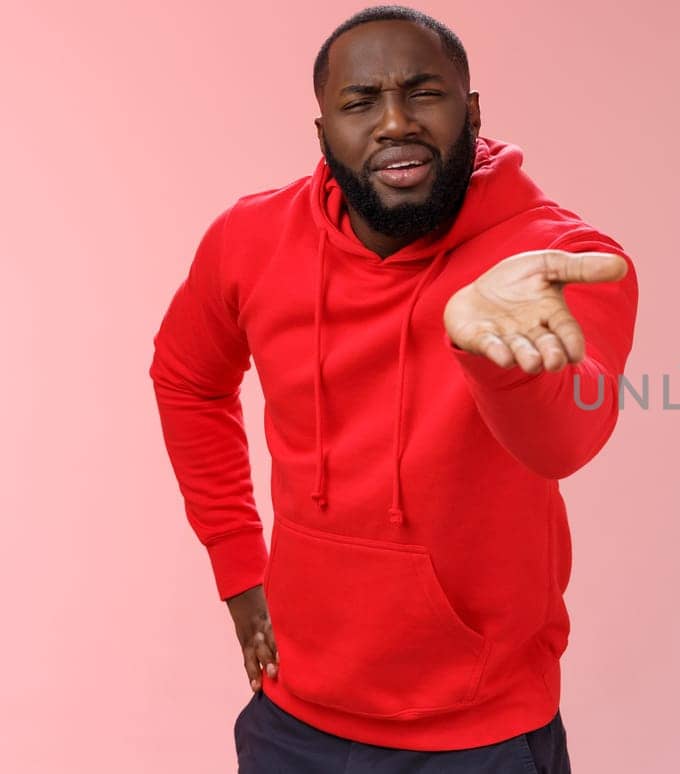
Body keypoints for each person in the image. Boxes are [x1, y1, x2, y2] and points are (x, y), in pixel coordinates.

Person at [147, 5, 639, 771]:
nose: (394, 122)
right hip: (291, 717)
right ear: (322, 132)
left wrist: (491, 355)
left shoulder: (555, 258)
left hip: (482, 737)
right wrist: (238, 563)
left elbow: (566, 442)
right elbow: (185, 378)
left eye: (424, 94)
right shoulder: (249, 239)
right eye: (360, 102)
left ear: (471, 112)